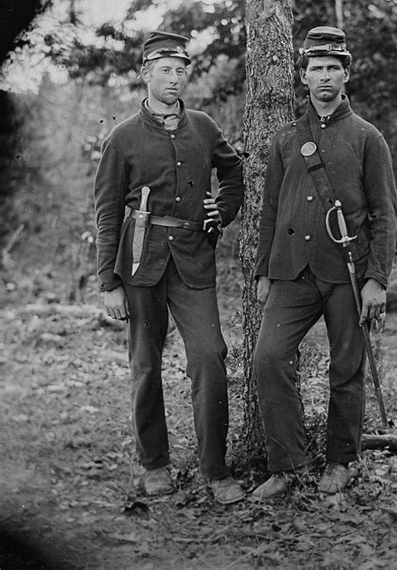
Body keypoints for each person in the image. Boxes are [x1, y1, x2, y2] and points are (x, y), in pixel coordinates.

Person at [94, 30, 245, 505]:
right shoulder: (123, 137)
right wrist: (108, 281)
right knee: (145, 364)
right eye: (165, 70)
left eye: (182, 71)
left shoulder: (202, 125)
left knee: (209, 356)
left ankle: (215, 470)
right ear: (146, 74)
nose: (175, 79)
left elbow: (234, 171)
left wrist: (224, 209)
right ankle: (154, 464)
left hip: (194, 260)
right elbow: (107, 210)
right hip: (139, 263)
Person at [251, 26, 397, 500]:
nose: (325, 77)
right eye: (316, 68)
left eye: (334, 68)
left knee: (346, 368)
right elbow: (270, 209)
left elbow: (384, 214)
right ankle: (286, 465)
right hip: (292, 270)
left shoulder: (367, 138)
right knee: (268, 359)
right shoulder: (285, 139)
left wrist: (376, 279)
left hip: (347, 274)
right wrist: (262, 271)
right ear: (303, 76)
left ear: (347, 75)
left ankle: (342, 461)